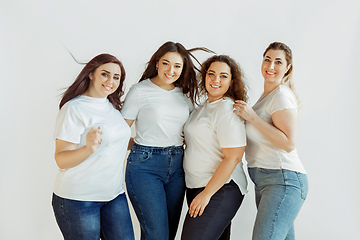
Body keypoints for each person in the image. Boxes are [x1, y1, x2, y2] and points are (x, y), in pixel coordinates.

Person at [121, 41, 212, 240]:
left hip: (179, 166)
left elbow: (195, 130)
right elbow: (119, 132)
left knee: (168, 234)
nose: (171, 70)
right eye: (166, 63)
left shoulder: (184, 95)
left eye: (177, 66)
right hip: (145, 167)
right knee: (157, 234)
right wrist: (137, 146)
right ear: (157, 63)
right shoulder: (139, 91)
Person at [52, 53, 134, 240]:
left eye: (116, 77)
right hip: (78, 199)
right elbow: (61, 159)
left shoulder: (112, 107)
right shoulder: (74, 108)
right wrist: (88, 148)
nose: (110, 81)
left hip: (114, 195)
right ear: (91, 74)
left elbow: (115, 140)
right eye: (105, 74)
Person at [233, 42, 309, 240]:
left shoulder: (281, 96)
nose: (271, 66)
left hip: (282, 180)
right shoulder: (266, 97)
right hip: (265, 180)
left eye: (278, 62)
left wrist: (253, 118)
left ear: (287, 68)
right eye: (267, 59)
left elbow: (288, 143)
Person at [181, 55, 248, 240]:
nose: (215, 80)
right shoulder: (202, 108)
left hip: (221, 188)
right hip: (197, 186)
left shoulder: (227, 109)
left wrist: (207, 193)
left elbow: (233, 157)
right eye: (211, 74)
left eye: (223, 76)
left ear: (232, 81)